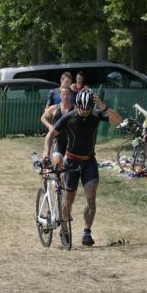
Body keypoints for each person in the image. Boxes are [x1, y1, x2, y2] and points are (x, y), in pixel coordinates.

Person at [42, 88, 122, 247]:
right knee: (69, 199)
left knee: (91, 196)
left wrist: (104, 107)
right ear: (77, 105)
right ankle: (64, 229)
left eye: (87, 109)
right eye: (81, 109)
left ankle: (87, 232)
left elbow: (119, 120)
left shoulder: (96, 115)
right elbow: (51, 135)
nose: (84, 112)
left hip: (89, 162)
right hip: (71, 161)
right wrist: (46, 152)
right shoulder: (69, 117)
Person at [40, 83, 73, 169]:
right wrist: (49, 126)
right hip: (57, 141)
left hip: (71, 142)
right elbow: (43, 118)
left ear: (70, 95)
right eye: (63, 94)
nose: (65, 96)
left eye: (67, 94)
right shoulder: (54, 108)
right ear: (60, 95)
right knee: (58, 163)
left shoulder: (75, 110)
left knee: (67, 167)